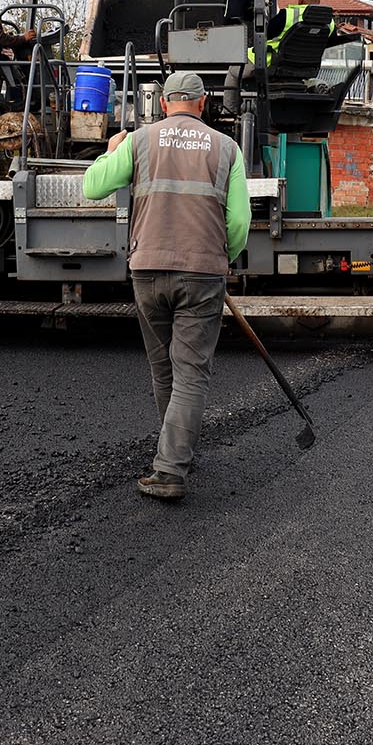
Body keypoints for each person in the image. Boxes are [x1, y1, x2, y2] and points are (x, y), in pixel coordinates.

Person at [82, 71, 249, 502]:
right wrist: (219, 257)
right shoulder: (227, 147)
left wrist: (109, 152)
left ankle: (175, 455)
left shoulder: (139, 141)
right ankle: (173, 465)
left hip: (148, 270)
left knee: (164, 369)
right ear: (203, 102)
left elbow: (92, 187)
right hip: (203, 272)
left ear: (162, 104)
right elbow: (239, 223)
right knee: (191, 373)